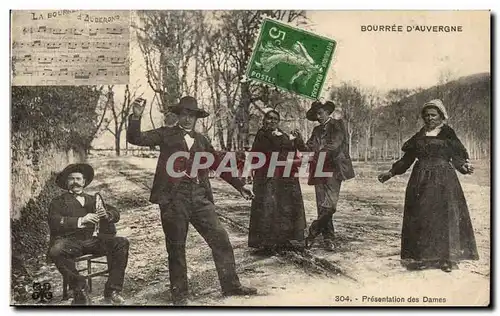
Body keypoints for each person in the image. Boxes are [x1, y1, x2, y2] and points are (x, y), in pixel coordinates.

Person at [126, 96, 258, 305]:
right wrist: (135, 116)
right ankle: (180, 296)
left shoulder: (202, 140)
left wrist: (240, 185)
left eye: (192, 115)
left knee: (220, 239)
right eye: (184, 115)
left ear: (197, 118)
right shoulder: (165, 134)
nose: (187, 119)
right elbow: (135, 138)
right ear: (178, 116)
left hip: (199, 198)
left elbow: (219, 164)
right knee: (177, 247)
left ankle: (231, 286)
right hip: (173, 200)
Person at [378, 99, 479, 272]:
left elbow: (456, 157)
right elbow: (407, 159)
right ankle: (423, 257)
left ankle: (446, 258)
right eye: (426, 115)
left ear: (441, 116)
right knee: (421, 216)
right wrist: (391, 172)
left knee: (445, 216)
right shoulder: (419, 135)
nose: (429, 118)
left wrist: (464, 167)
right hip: (421, 180)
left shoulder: (448, 133)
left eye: (433, 115)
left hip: (444, 180)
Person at [48, 163, 129, 305]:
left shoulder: (93, 199)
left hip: (94, 240)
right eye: (71, 179)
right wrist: (81, 220)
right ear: (66, 183)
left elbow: (115, 213)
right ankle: (80, 287)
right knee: (56, 251)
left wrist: (107, 214)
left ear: (84, 182)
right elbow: (54, 222)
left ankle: (112, 290)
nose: (75, 182)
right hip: (71, 242)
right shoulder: (58, 202)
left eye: (78, 179)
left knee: (121, 243)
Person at [293, 100, 355, 251]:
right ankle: (329, 238)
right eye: (316, 114)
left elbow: (334, 146)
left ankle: (313, 231)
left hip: (334, 169)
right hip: (318, 168)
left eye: (320, 113)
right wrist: (298, 140)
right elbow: (307, 148)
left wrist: (316, 156)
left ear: (328, 112)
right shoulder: (316, 131)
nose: (318, 116)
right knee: (322, 206)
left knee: (330, 205)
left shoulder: (338, 125)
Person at [248, 108, 306, 253]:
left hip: (283, 176)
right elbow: (258, 153)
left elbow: (293, 150)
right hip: (266, 176)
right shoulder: (261, 135)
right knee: (267, 207)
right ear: (265, 120)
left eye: (275, 119)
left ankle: (283, 240)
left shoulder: (283, 135)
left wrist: (296, 140)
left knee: (284, 207)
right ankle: (266, 243)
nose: (272, 121)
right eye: (270, 118)